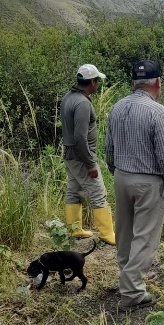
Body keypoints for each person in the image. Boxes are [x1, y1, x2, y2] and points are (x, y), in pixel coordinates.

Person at [105, 60, 164, 310]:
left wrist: (116, 171)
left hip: (121, 176)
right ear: (158, 83)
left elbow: (109, 148)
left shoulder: (117, 107)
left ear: (133, 83)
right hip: (148, 181)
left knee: (125, 233)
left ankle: (127, 280)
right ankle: (132, 292)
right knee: (146, 236)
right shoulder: (158, 113)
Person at [60, 64, 115, 242]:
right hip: (82, 157)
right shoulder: (83, 103)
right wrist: (90, 163)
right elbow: (80, 137)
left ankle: (74, 230)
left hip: (70, 155)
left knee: (74, 190)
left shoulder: (68, 97)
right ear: (92, 82)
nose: (97, 84)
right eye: (97, 81)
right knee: (98, 192)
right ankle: (107, 234)